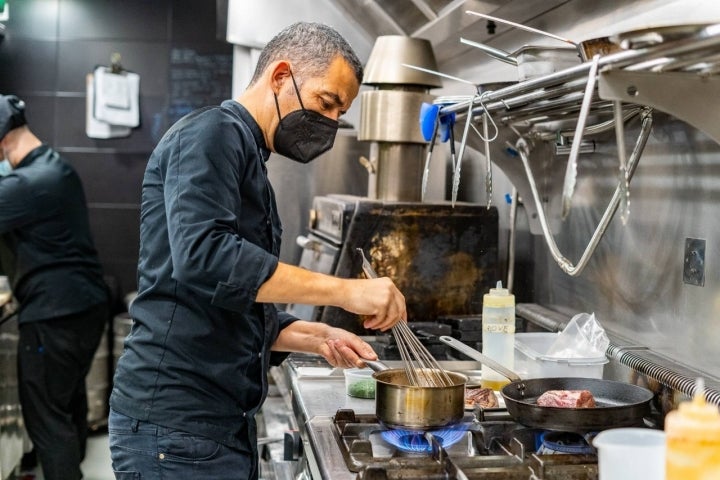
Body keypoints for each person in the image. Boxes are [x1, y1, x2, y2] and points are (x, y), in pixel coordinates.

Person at [108, 21, 407, 479]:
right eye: (326, 103)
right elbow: (206, 258)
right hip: (175, 427)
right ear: (281, 75)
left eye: (338, 114)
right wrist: (346, 292)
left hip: (213, 427)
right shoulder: (211, 133)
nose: (328, 125)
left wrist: (314, 336)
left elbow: (226, 300)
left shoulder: (247, 153)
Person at [0, 94, 110, 480]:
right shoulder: (54, 167)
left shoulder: (27, 182)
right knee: (66, 406)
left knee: (47, 420)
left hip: (55, 315)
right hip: (82, 308)